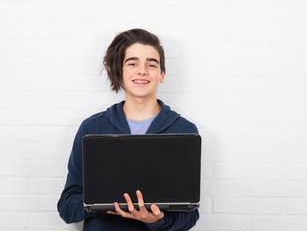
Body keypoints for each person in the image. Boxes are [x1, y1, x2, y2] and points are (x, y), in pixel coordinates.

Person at [57, 28, 200, 231]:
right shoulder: (92, 128)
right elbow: (67, 207)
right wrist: (101, 201)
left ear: (162, 74)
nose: (142, 70)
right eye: (132, 63)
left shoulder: (184, 130)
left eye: (151, 64)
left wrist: (156, 221)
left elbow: (190, 215)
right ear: (120, 71)